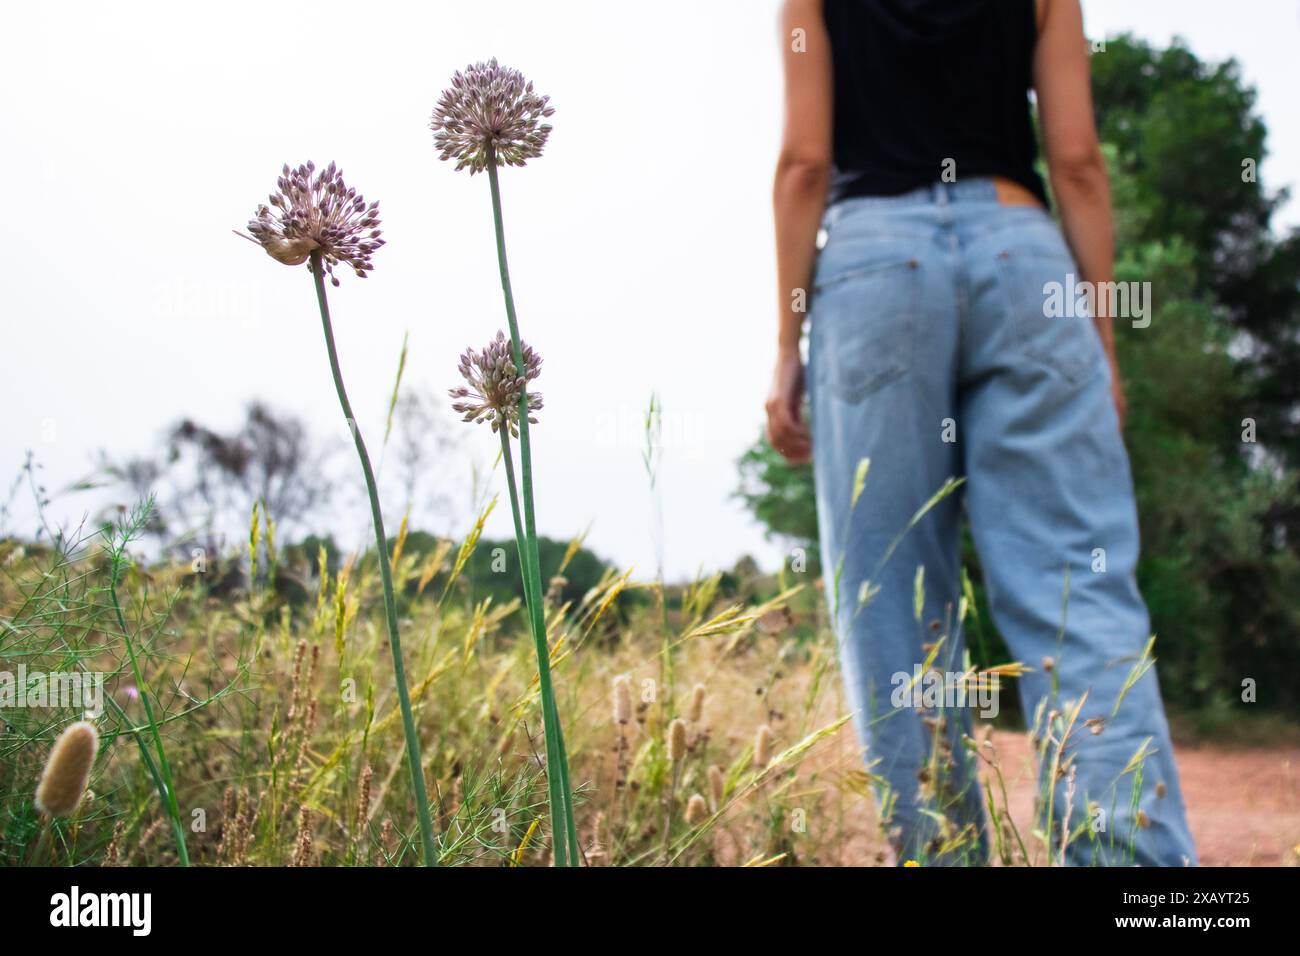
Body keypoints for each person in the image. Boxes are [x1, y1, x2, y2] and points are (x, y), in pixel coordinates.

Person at [766, 0, 1197, 865]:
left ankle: (944, 855)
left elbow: (805, 164)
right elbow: (1077, 162)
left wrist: (786, 343)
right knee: (1079, 585)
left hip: (873, 267)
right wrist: (1101, 341)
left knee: (893, 602)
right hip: (1025, 258)